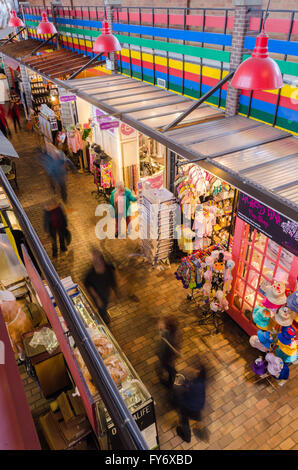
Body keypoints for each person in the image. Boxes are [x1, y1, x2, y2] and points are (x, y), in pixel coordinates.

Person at [173, 361, 207, 443]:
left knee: (184, 421)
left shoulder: (194, 385)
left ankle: (187, 437)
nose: (194, 371)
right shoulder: (201, 382)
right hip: (198, 406)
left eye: (196, 370)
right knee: (197, 417)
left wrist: (181, 386)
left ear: (199, 372)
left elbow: (186, 394)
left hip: (188, 408)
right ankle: (201, 429)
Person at [84, 249, 118, 325]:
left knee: (106, 304)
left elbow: (113, 278)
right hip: (98, 295)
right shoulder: (90, 275)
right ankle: (104, 318)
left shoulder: (108, 267)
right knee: (101, 308)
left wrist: (114, 290)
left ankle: (105, 312)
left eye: (99, 260)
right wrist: (97, 298)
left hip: (106, 291)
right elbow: (88, 285)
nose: (98, 263)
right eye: (95, 261)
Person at [156, 315, 182, 388]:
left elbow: (167, 347)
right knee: (169, 367)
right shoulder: (171, 332)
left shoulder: (168, 335)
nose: (160, 324)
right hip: (168, 356)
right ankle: (172, 377)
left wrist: (160, 355)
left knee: (170, 368)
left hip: (167, 357)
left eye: (162, 323)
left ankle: (170, 383)